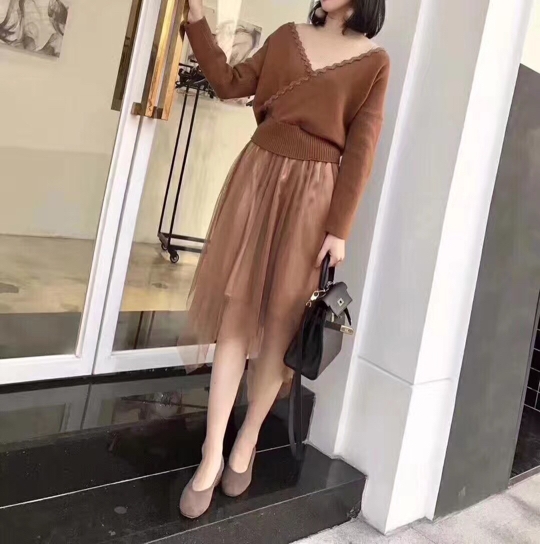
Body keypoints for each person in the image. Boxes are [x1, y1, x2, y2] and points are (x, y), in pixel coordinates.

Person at [180, 0, 389, 519]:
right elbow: (229, 83)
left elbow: (361, 149)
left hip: (314, 197)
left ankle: (247, 440)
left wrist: (339, 229)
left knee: (279, 327)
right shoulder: (286, 35)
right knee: (236, 316)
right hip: (257, 177)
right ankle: (211, 452)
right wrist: (197, 21)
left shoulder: (373, 62)